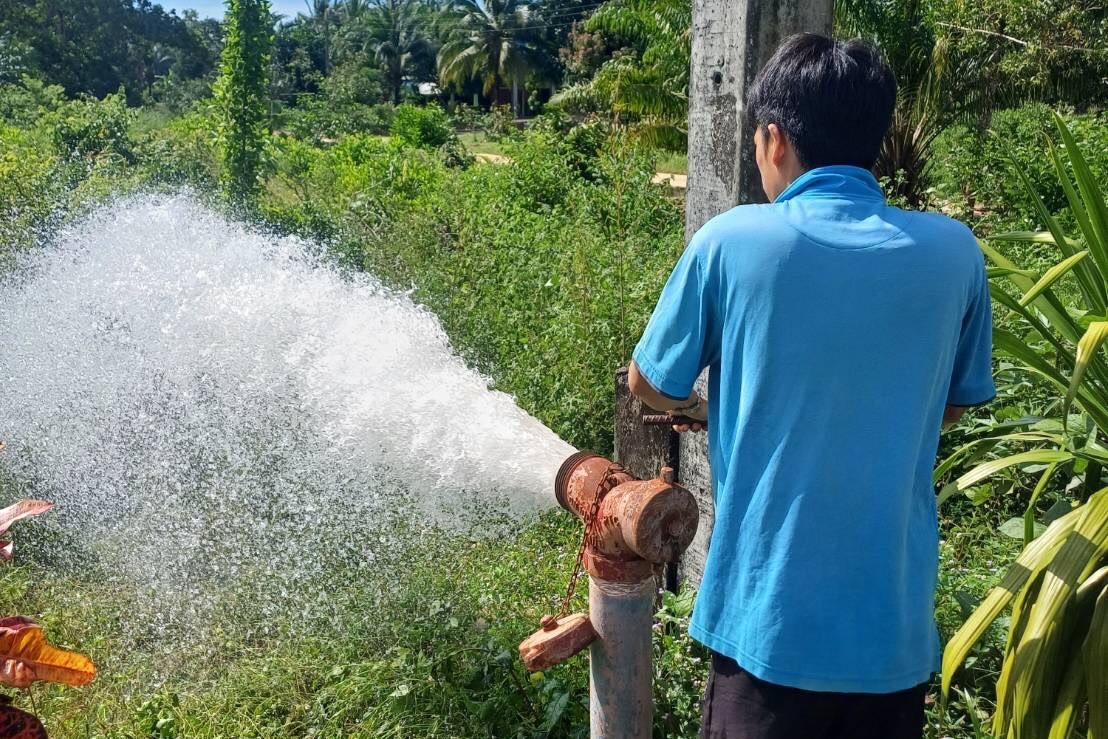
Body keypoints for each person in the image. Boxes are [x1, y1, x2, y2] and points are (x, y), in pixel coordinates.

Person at [627, 33, 994, 739]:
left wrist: (703, 407)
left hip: (768, 630)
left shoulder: (733, 241)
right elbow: (945, 407)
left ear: (772, 140)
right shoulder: (954, 253)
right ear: (876, 139)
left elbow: (649, 380)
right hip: (891, 638)